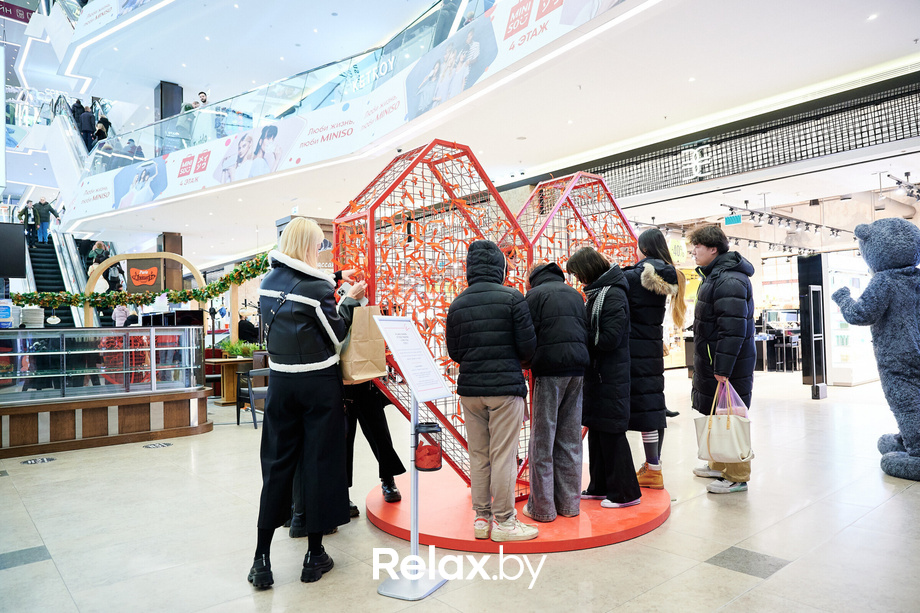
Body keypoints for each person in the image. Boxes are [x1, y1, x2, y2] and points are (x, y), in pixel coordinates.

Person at [249, 217, 366, 588]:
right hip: (318, 385)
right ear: (307, 246)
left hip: (280, 384)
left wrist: (337, 285)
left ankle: (261, 560)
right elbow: (336, 333)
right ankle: (314, 557)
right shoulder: (318, 287)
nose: (321, 250)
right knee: (320, 464)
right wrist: (350, 300)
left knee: (277, 466)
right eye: (318, 244)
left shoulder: (267, 282)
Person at [446, 240, 538, 542]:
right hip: (505, 389)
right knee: (503, 456)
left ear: (469, 268)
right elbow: (528, 347)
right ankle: (505, 522)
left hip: (470, 391)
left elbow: (455, 352)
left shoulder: (458, 303)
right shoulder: (513, 298)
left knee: (478, 455)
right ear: (501, 267)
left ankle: (482, 519)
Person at [566, 246, 641, 509]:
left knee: (611, 432)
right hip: (599, 373)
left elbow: (609, 338)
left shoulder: (613, 294)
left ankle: (625, 494)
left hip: (610, 374)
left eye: (578, 273)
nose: (578, 279)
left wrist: (579, 335)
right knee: (597, 430)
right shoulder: (598, 293)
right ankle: (599, 486)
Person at [687, 225, 756, 494]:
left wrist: (723, 367)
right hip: (713, 360)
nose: (693, 251)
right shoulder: (714, 276)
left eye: (698, 246)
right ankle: (719, 463)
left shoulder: (729, 280)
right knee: (717, 412)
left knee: (731, 416)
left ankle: (737, 475)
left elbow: (733, 329)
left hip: (728, 364)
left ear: (713, 249)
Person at [522, 262, 589, 522]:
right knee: (570, 439)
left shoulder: (534, 296)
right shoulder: (574, 294)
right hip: (577, 369)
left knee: (543, 440)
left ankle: (542, 509)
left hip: (549, 371)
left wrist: (527, 363)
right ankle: (570, 505)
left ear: (532, 278)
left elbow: (527, 337)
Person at [622, 229, 686, 490]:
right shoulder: (670, 275)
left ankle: (652, 470)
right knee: (653, 405)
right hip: (651, 347)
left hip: (631, 348)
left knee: (635, 408)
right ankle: (653, 466)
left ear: (644, 249)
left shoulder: (634, 276)